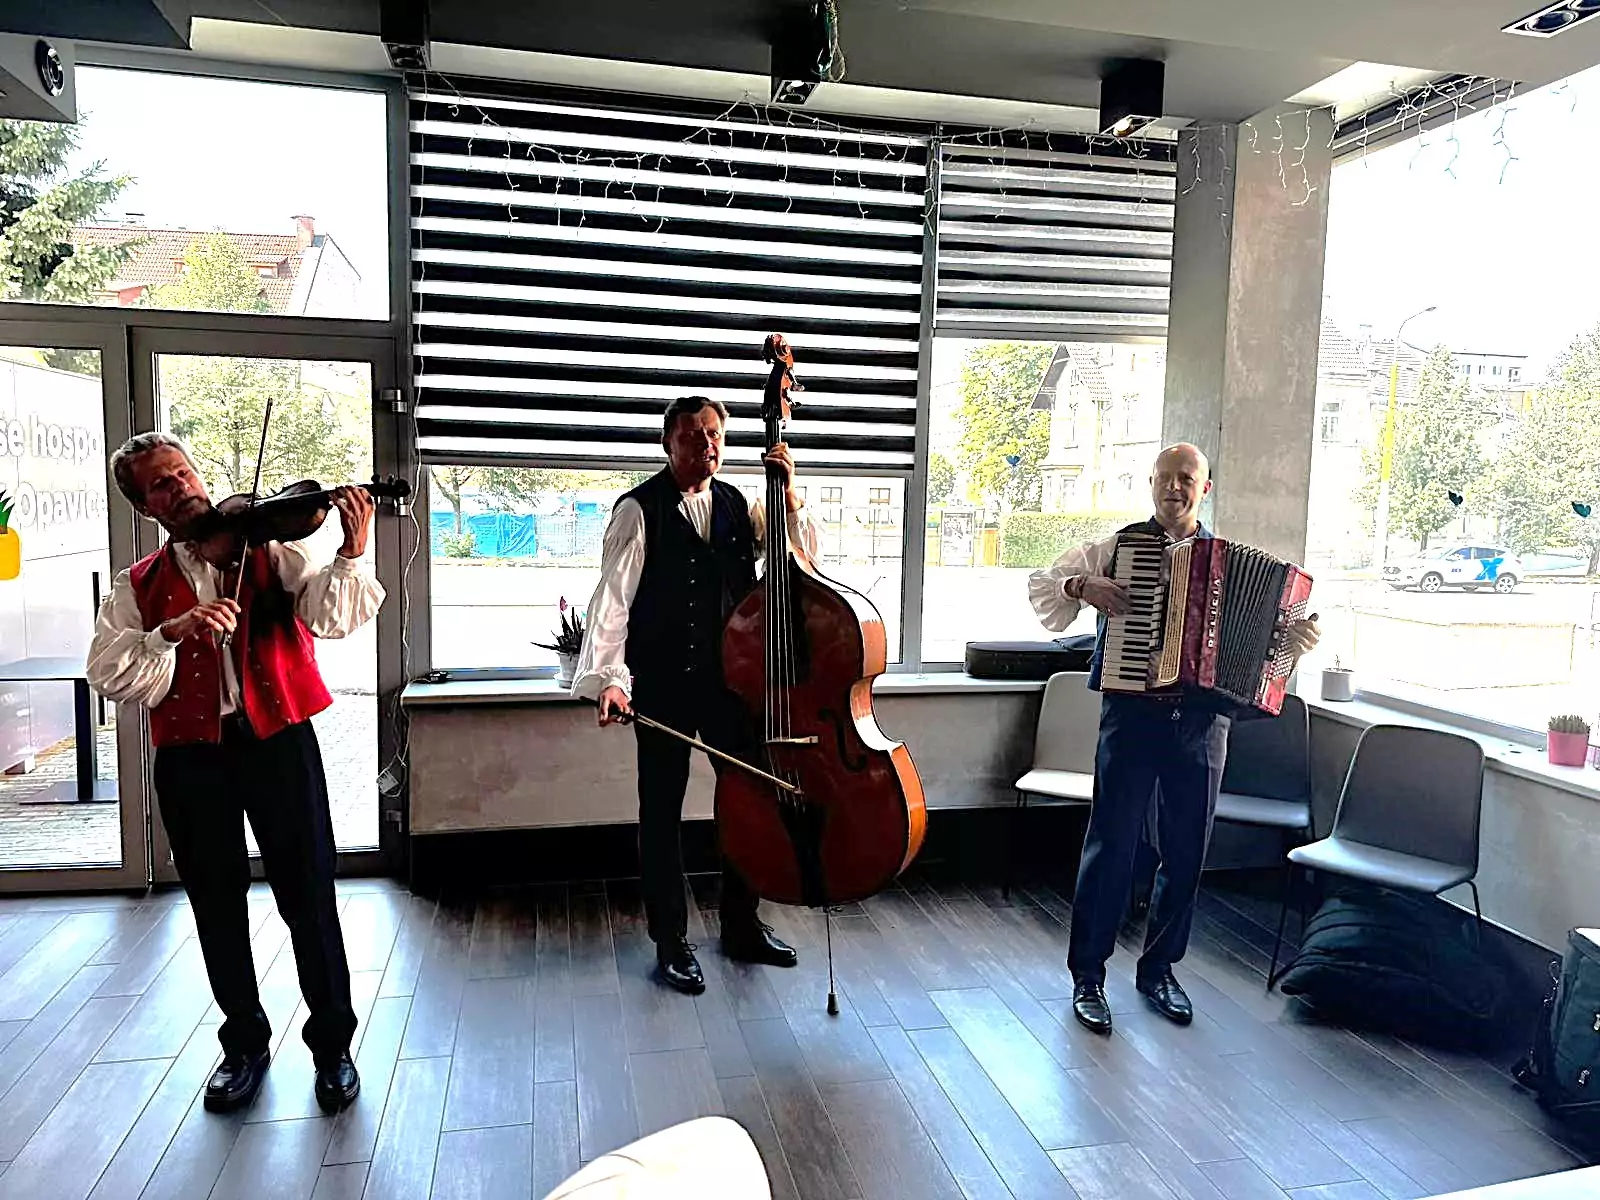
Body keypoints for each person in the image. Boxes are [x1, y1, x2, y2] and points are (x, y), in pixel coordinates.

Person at [87, 432, 384, 1113]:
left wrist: (351, 550)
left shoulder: (271, 549)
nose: (180, 487)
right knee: (215, 904)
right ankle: (244, 1045)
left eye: (183, 473)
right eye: (161, 484)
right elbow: (108, 671)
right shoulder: (138, 585)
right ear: (144, 505)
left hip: (278, 741)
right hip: (191, 757)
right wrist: (171, 631)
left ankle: (333, 1047)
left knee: (309, 896)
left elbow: (329, 618)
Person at [1029, 443, 1319, 1035]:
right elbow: (1043, 585)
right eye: (1164, 477)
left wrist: (1295, 644)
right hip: (1131, 717)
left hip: (1202, 724)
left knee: (1187, 852)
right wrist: (1083, 588)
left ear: (1204, 488)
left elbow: (1268, 655)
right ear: (1151, 484)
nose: (1173, 487)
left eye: (1185, 478)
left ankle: (1159, 970)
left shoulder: (1229, 563)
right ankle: (1088, 976)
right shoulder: (1118, 548)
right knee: (1111, 846)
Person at [572, 395, 819, 995]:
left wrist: (788, 496)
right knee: (661, 811)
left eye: (714, 434)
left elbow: (799, 561)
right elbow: (612, 602)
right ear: (668, 444)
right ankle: (671, 941)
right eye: (691, 435)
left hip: (734, 683)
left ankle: (741, 925)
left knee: (749, 801)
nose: (706, 444)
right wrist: (611, 679)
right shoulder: (638, 510)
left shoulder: (740, 505)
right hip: (663, 683)